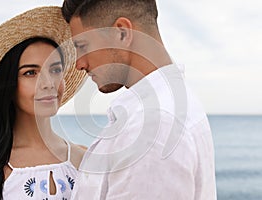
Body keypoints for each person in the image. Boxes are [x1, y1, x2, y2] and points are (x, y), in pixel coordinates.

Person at [61, 0, 217, 199]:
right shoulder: (170, 105)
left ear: (122, 33)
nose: (79, 64)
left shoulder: (152, 126)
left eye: (82, 46)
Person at [0, 6, 86, 200]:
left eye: (55, 70)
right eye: (30, 73)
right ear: (8, 85)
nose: (48, 84)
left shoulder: (86, 160)